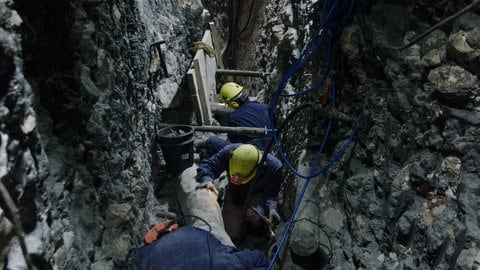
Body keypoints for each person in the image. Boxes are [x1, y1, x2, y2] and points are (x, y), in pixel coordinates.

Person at [134, 166, 268, 269]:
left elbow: (257, 259)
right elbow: (259, 259)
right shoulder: (224, 264)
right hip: (183, 242)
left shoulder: (224, 264)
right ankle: (190, 173)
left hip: (191, 239)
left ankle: (186, 170)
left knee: (201, 202)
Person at [195, 143, 282, 245]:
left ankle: (255, 234)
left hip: (256, 194)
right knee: (231, 236)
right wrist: (207, 179)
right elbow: (209, 166)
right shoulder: (229, 152)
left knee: (256, 222)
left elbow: (271, 194)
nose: (237, 179)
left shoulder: (273, 167)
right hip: (234, 193)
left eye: (241, 178)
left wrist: (272, 208)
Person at [198, 82, 273, 158]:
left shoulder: (234, 117)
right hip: (271, 151)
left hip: (252, 156)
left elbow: (232, 141)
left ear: (233, 103)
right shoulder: (265, 107)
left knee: (212, 141)